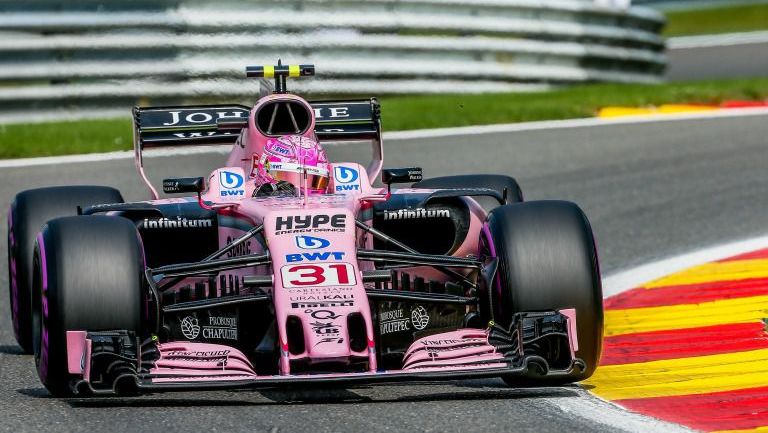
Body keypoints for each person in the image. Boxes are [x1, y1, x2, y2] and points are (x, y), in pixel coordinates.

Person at [251, 135, 331, 197]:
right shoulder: (244, 194)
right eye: (291, 177)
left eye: (313, 180)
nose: (303, 190)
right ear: (266, 169)